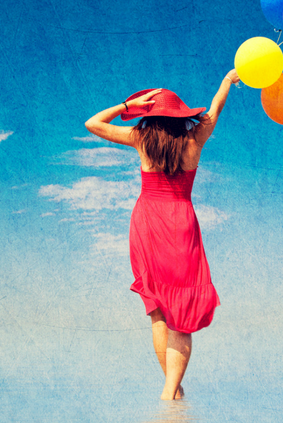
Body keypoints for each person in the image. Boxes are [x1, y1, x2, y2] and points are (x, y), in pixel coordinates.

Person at [84, 69, 240, 400]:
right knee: (180, 315)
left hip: (147, 222)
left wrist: (128, 106)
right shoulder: (194, 139)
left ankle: (172, 393)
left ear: (152, 116)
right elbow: (215, 108)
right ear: (180, 116)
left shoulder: (141, 139)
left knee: (157, 311)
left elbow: (93, 124)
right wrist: (226, 80)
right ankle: (171, 393)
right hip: (180, 221)